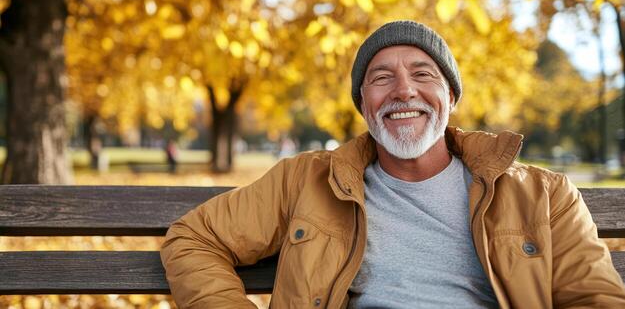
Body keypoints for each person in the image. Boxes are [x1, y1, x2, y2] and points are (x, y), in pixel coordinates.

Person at [161, 21, 625, 308]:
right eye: (381, 78)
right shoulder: (305, 181)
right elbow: (194, 238)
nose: (403, 90)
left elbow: (593, 298)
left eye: (423, 74)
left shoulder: (544, 195)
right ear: (364, 104)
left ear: (449, 98)